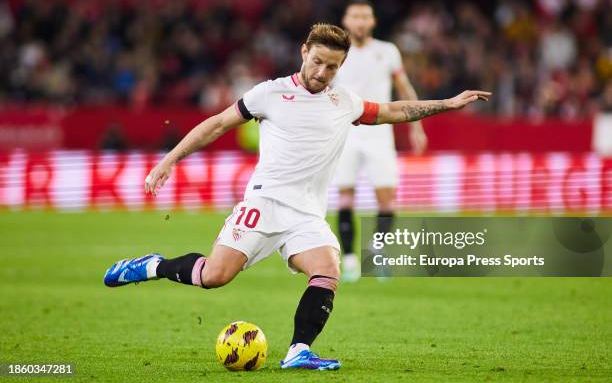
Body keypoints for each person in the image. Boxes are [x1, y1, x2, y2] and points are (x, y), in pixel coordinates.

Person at [102, 23, 490, 371]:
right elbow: (218, 124)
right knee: (213, 276)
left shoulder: (345, 104)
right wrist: (169, 160)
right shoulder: (269, 94)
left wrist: (448, 104)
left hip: (306, 214)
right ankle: (152, 265)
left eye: (332, 67)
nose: (322, 73)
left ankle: (298, 350)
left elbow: (394, 110)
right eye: (318, 61)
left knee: (327, 270)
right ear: (304, 52)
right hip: (264, 204)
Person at [333, 0, 427, 282]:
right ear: (346, 21)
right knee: (345, 196)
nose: (360, 21)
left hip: (379, 135)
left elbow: (404, 87)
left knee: (386, 198)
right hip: (345, 133)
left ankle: (377, 253)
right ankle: (349, 259)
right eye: (355, 16)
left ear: (372, 21)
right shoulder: (337, 52)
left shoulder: (387, 52)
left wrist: (417, 125)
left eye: (365, 16)